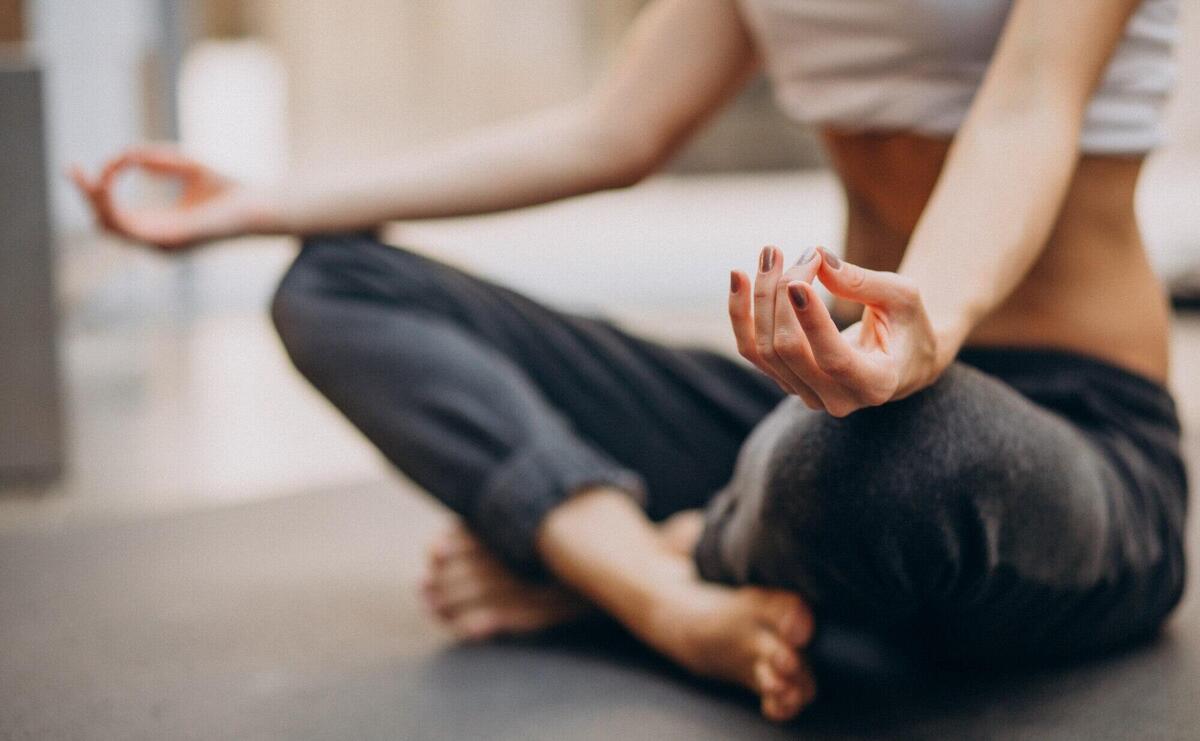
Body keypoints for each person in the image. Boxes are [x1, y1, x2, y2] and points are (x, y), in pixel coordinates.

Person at [72, 0, 1187, 723]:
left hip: (1069, 447)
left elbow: (1032, 103)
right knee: (334, 286)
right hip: (828, 407)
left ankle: (623, 553)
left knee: (886, 459)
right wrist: (262, 206)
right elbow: (614, 130)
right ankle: (660, 593)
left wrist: (925, 327)